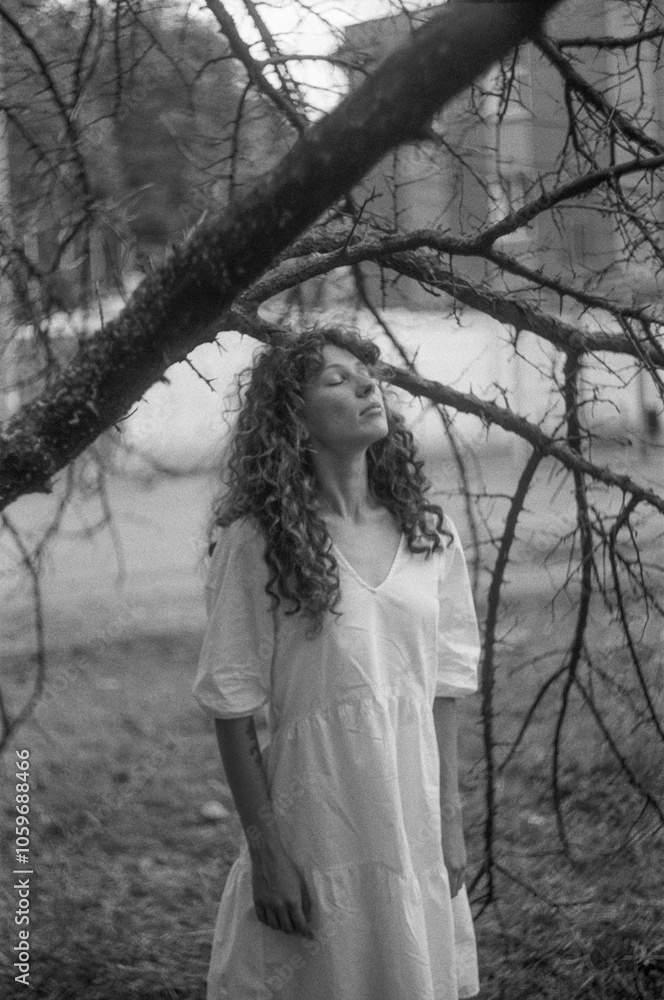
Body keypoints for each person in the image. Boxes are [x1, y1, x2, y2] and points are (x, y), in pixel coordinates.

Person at [193, 326, 481, 1000]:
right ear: (295, 419)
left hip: (413, 819)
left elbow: (443, 689)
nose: (365, 384)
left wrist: (450, 822)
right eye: (337, 379)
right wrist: (267, 853)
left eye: (366, 373)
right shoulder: (258, 542)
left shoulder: (429, 534)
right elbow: (232, 710)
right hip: (316, 824)